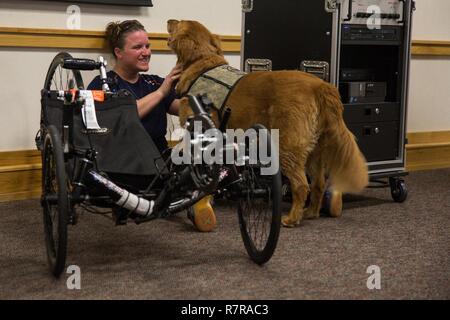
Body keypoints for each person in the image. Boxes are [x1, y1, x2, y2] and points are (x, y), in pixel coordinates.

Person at [88, 19, 216, 232]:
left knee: (203, 141)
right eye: (138, 47)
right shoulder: (103, 84)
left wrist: (198, 87)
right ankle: (192, 200)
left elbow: (181, 109)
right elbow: (121, 117)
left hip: (159, 162)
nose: (146, 52)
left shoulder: (154, 82)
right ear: (119, 53)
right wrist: (161, 92)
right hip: (121, 167)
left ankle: (197, 200)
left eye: (147, 46)